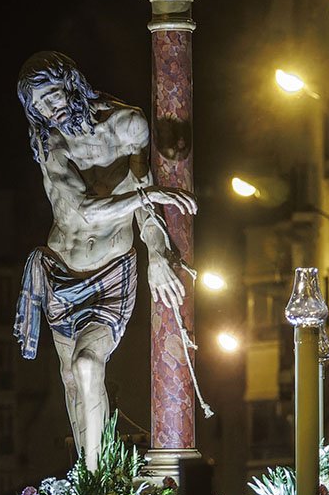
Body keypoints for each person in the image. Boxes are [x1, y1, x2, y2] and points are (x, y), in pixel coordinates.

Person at [13, 51, 196, 471]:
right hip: (61, 271)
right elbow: (82, 211)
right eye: (38, 104)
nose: (49, 108)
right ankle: (89, 480)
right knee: (70, 380)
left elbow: (145, 206)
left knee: (87, 364)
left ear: (72, 83)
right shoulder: (50, 142)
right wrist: (148, 197)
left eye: (53, 94)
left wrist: (157, 255)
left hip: (112, 271)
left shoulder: (127, 124)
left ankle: (96, 482)